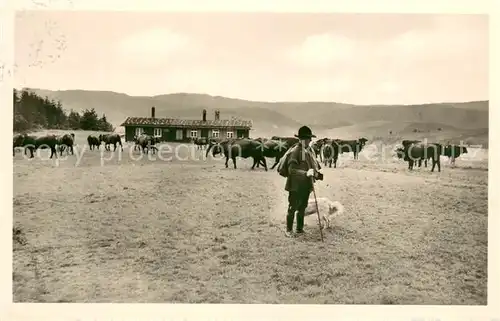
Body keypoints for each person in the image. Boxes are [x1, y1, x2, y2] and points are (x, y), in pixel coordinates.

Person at [284, 125, 323, 237]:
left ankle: (299, 229)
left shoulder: (309, 151)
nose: (310, 140)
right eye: (308, 138)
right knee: (292, 207)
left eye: (310, 138)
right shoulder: (296, 151)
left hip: (306, 185)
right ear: (301, 139)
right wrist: (305, 173)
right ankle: (288, 230)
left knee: (302, 207)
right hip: (295, 185)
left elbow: (313, 166)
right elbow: (291, 170)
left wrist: (317, 175)